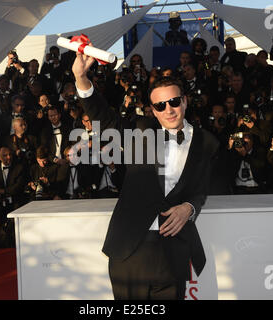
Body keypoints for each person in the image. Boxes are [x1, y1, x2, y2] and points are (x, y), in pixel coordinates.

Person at [72, 49, 219, 300]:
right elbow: (103, 117)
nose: (169, 110)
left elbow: (202, 188)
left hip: (173, 249)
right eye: (160, 105)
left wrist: (189, 208)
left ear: (184, 100)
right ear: (152, 109)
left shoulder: (208, 142)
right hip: (130, 248)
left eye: (174, 102)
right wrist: (81, 78)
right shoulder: (139, 131)